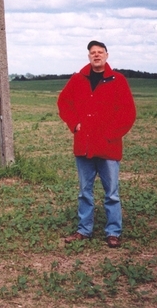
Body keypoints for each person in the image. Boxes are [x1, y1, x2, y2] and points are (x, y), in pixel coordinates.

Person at [57, 40, 136, 248]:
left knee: (111, 193)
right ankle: (84, 230)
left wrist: (110, 134)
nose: (96, 55)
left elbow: (128, 113)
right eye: (93, 53)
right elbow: (64, 102)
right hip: (84, 145)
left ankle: (113, 232)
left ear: (107, 55)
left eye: (100, 52)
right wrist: (74, 124)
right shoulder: (77, 79)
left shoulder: (117, 80)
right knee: (85, 191)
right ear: (89, 56)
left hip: (109, 147)